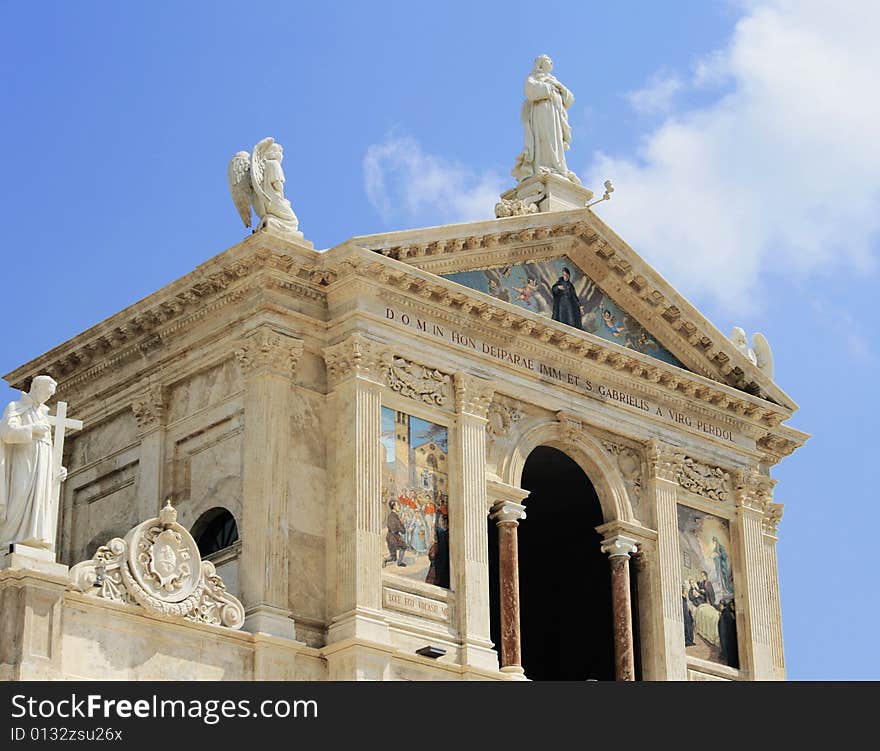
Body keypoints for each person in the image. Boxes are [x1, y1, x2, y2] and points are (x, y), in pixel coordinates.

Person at [0, 375, 67, 550]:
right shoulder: (16, 407)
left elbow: (49, 445)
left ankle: (34, 536)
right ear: (36, 388)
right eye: (45, 393)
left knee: (41, 496)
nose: (47, 398)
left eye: (50, 396)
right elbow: (7, 433)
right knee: (20, 493)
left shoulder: (43, 413)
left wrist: (55, 468)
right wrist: (32, 429)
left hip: (43, 459)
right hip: (23, 457)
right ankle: (10, 537)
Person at [512, 55, 578, 182]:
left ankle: (558, 167)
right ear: (540, 64)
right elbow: (530, 91)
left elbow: (569, 100)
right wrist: (549, 88)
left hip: (556, 113)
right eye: (547, 60)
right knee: (544, 137)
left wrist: (560, 88)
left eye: (551, 61)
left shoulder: (554, 80)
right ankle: (542, 165)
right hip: (542, 110)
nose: (551, 62)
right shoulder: (534, 77)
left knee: (555, 139)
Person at [383, 500, 407, 567]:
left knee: (403, 546)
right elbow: (402, 530)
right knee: (393, 557)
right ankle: (385, 560)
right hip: (393, 537)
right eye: (397, 505)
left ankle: (399, 562)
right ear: (394, 507)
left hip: (393, 536)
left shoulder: (393, 515)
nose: (399, 507)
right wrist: (402, 523)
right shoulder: (393, 517)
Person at [717, 599, 739, 668]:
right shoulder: (727, 613)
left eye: (733, 605)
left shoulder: (727, 614)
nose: (732, 607)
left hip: (729, 637)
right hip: (729, 636)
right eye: (731, 605)